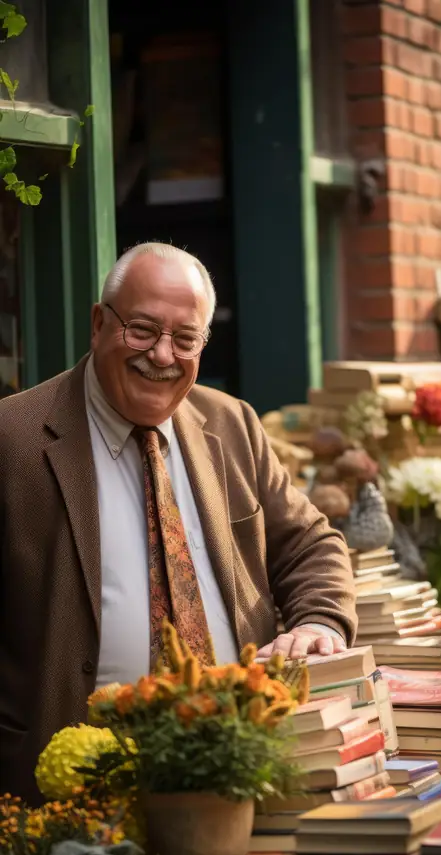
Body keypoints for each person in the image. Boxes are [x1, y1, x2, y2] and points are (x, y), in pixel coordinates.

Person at [0, 241, 357, 803]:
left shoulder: (233, 425)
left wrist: (320, 622)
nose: (162, 354)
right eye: (141, 329)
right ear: (98, 324)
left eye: (184, 338)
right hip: (72, 788)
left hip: (237, 765)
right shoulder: (12, 439)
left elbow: (310, 542)